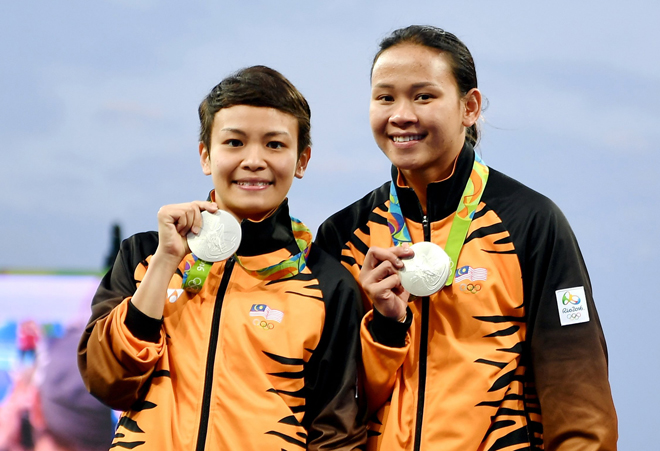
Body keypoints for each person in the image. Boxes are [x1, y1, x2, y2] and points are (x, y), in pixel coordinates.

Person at [316, 25, 617, 450]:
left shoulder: (531, 222)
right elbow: (331, 404)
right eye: (385, 97)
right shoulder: (344, 236)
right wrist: (383, 327)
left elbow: (577, 387)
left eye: (423, 96)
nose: (401, 114)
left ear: (469, 106)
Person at [78, 66, 366, 450]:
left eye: (275, 145)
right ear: (205, 156)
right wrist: (165, 262)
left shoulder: (328, 282)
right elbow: (108, 382)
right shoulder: (144, 255)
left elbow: (336, 434)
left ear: (302, 160)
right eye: (234, 142)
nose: (253, 160)